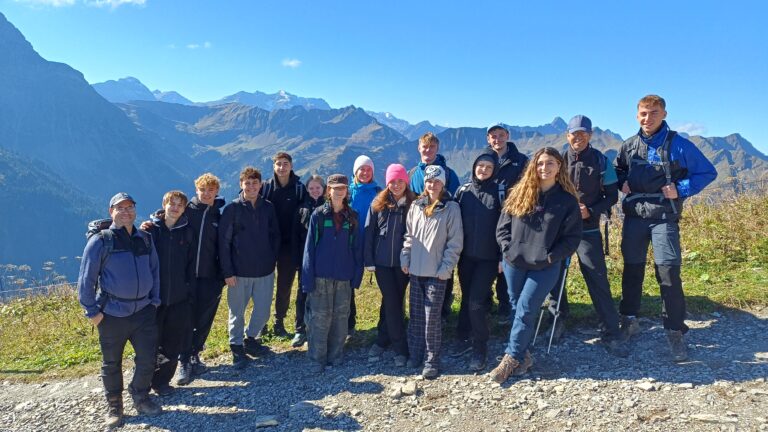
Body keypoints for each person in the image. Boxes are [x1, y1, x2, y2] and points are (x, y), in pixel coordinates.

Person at [615, 95, 717, 362]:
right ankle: (629, 320)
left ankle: (675, 331)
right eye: (643, 113)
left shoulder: (680, 146)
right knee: (632, 271)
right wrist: (622, 182)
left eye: (653, 112)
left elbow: (707, 172)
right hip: (635, 217)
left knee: (669, 273)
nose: (647, 118)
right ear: (636, 115)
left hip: (664, 218)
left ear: (664, 114)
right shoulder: (628, 146)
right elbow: (618, 171)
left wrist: (680, 190)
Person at [490, 147, 581, 383]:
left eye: (550, 163)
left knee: (527, 308)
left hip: (545, 266)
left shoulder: (567, 201)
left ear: (559, 167)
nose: (544, 168)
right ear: (533, 166)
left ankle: (510, 359)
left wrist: (551, 257)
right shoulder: (519, 193)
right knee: (516, 307)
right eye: (540, 163)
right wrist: (507, 250)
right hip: (514, 262)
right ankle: (524, 355)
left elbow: (572, 239)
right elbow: (502, 228)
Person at [544, 115, 628, 357]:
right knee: (554, 276)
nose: (577, 137)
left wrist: (590, 210)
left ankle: (611, 331)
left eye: (583, 133)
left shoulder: (602, 162)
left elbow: (611, 196)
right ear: (567, 135)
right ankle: (557, 321)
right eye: (573, 133)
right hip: (559, 230)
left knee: (597, 278)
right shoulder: (557, 161)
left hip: (587, 229)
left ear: (590, 135)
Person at [77, 192, 162, 428]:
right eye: (120, 208)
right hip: (112, 314)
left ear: (135, 210)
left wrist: (154, 300)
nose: (126, 212)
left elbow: (155, 271)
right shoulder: (101, 241)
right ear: (111, 211)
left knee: (147, 359)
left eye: (130, 207)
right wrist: (92, 312)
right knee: (111, 363)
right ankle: (114, 405)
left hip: (144, 311)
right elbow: (86, 280)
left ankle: (140, 395)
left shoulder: (144, 238)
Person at [401, 165, 463, 379]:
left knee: (432, 319)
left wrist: (446, 268)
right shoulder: (416, 206)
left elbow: (455, 243)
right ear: (424, 183)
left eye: (437, 181)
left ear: (443, 183)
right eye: (429, 181)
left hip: (437, 273)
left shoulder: (451, 208)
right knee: (416, 316)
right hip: (416, 270)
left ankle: (431, 359)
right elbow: (408, 235)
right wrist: (405, 258)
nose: (432, 185)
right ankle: (415, 354)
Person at [301, 174, 364, 373]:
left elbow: (357, 248)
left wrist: (357, 274)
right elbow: (309, 248)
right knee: (319, 318)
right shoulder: (318, 215)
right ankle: (316, 359)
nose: (338, 192)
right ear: (329, 190)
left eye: (342, 188)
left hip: (344, 275)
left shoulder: (352, 217)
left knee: (340, 317)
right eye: (335, 188)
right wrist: (307, 278)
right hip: (321, 276)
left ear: (347, 191)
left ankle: (336, 355)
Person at [219, 167, 281, 368]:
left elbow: (275, 235)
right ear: (241, 185)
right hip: (239, 272)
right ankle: (236, 347)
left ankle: (250, 339)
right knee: (237, 312)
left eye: (255, 183)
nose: (252, 186)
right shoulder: (232, 209)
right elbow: (223, 243)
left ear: (261, 185)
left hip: (264, 270)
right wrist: (227, 272)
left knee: (263, 311)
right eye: (248, 183)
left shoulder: (268, 207)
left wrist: (272, 259)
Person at [142, 191, 197, 396]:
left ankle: (162, 382)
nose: (175, 208)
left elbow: (191, 266)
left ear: (184, 209)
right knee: (149, 345)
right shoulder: (150, 231)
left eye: (180, 205)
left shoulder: (187, 232)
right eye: (171, 204)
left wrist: (189, 292)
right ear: (164, 205)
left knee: (172, 343)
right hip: (153, 300)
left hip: (179, 298)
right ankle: (143, 384)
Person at [364, 164, 417, 366]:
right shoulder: (378, 204)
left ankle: (382, 339)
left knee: (392, 302)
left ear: (406, 182)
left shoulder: (414, 204)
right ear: (387, 183)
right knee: (393, 302)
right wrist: (369, 260)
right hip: (383, 263)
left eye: (400, 181)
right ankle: (400, 349)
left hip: (404, 264)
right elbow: (369, 233)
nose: (396, 185)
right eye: (392, 181)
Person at [454, 154, 503, 371]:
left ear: (495, 169)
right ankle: (463, 335)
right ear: (474, 167)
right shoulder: (463, 192)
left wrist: (503, 256)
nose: (483, 170)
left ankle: (480, 345)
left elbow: (506, 227)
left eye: (488, 166)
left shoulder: (500, 193)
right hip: (465, 257)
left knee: (476, 302)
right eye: (480, 166)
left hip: (489, 259)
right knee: (467, 299)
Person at [408, 132, 461, 320]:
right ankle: (421, 316)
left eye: (432, 147)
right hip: (421, 231)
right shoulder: (415, 174)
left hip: (442, 231)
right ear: (419, 148)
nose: (428, 150)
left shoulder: (449, 173)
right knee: (420, 277)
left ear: (437, 149)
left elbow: (455, 199)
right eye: (425, 146)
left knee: (444, 275)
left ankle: (443, 313)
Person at [177, 173, 225, 382]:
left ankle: (195, 355)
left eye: (211, 190)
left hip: (210, 278)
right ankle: (183, 360)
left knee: (204, 318)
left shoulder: (219, 216)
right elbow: (165, 221)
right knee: (186, 319)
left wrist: (222, 276)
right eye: (203, 190)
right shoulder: (186, 212)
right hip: (186, 278)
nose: (206, 194)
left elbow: (224, 247)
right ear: (196, 190)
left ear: (216, 192)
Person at [481, 124, 529, 322]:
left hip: (512, 218)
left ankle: (506, 305)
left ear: (507, 136)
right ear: (488, 138)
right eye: (493, 136)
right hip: (488, 216)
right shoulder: (484, 158)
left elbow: (528, 186)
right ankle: (486, 301)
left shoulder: (521, 160)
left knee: (508, 258)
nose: (497, 139)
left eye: (501, 135)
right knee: (488, 258)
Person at [260, 152, 307, 337]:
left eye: (285, 164)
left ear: (291, 166)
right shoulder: (265, 188)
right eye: (278, 164)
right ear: (273, 166)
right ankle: (261, 322)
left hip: (289, 245)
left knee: (284, 285)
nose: (282, 167)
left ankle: (279, 321)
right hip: (267, 244)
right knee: (264, 285)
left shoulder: (299, 189)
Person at [290, 175, 326, 348]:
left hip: (324, 259)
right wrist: (297, 260)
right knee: (303, 293)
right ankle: (300, 328)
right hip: (306, 259)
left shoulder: (329, 208)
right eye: (311, 188)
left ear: (323, 189)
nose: (314, 191)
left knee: (323, 293)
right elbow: (295, 237)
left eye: (317, 188)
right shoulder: (301, 209)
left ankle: (320, 328)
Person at [348, 155, 382, 337]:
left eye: (369, 169)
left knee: (386, 284)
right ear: (355, 171)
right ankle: (348, 323)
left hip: (372, 245)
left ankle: (387, 324)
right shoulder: (348, 192)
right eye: (362, 169)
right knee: (347, 284)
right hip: (350, 245)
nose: (365, 172)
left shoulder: (379, 192)